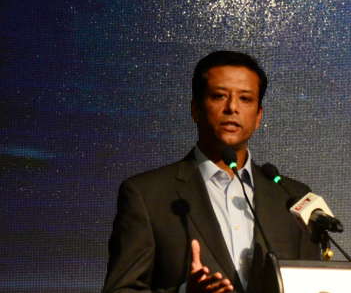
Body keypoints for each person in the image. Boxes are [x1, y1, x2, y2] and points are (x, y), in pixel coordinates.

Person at [103, 51, 320, 293]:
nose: (232, 108)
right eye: (219, 96)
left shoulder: (292, 198)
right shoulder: (147, 195)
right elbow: (120, 289)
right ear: (195, 109)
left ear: (259, 116)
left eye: (246, 99)